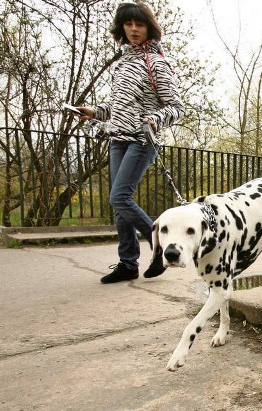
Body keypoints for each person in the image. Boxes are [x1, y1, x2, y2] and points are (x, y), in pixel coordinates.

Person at [74, 2, 185, 283]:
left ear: (149, 28)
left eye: (140, 25)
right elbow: (118, 107)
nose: (134, 30)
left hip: (142, 140)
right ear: (122, 28)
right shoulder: (122, 63)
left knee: (119, 197)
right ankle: (128, 264)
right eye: (129, 25)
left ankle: (159, 247)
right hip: (118, 140)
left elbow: (176, 106)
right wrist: (95, 113)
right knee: (120, 205)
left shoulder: (155, 62)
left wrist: (154, 120)